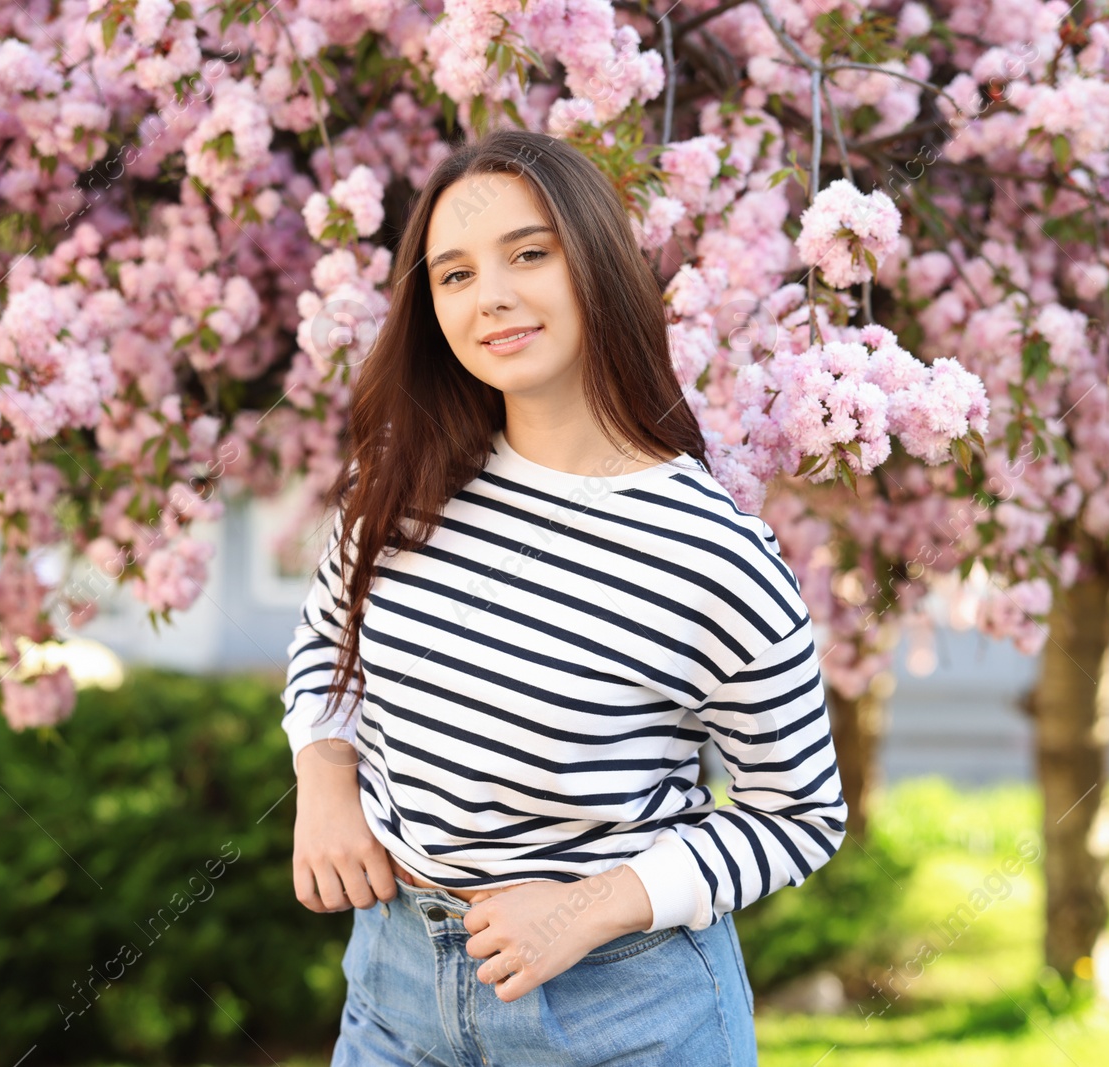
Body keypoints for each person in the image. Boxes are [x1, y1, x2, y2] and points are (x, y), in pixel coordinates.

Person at [283, 128, 847, 1067]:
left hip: (623, 1012)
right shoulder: (401, 482)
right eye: (454, 274)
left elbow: (798, 813)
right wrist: (325, 777)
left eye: (529, 254)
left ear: (595, 264)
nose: (491, 295)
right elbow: (324, 643)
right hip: (394, 989)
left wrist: (592, 906)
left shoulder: (710, 553)